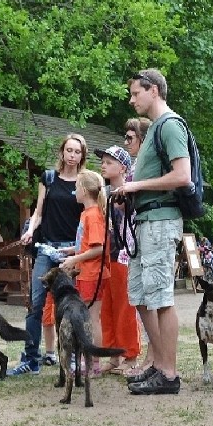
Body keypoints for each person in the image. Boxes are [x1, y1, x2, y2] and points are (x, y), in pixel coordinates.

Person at [114, 68, 189, 395]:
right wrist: (130, 195)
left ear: (154, 90)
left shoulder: (170, 125)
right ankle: (158, 365)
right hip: (144, 222)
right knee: (142, 296)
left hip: (161, 221)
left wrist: (136, 185)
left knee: (160, 297)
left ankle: (169, 374)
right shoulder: (156, 129)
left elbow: (182, 175)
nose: (132, 100)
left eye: (135, 93)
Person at [8, 133, 87, 375]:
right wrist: (30, 230)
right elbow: (38, 212)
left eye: (77, 152)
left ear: (82, 156)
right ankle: (31, 358)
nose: (72, 156)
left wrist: (79, 248)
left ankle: (73, 358)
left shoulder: (85, 181)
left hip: (71, 251)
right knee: (36, 303)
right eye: (69, 150)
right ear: (62, 152)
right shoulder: (49, 178)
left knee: (72, 305)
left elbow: (88, 217)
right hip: (46, 248)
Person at [95, 145, 141, 374]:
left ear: (123, 167)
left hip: (125, 255)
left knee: (125, 308)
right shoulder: (102, 193)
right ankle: (112, 354)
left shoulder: (129, 191)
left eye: (109, 162)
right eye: (102, 161)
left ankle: (130, 355)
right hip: (107, 255)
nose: (103, 165)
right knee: (108, 308)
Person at [59, 169, 110, 376]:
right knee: (86, 318)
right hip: (85, 273)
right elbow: (88, 244)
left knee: (91, 319)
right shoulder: (86, 214)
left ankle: (93, 364)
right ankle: (87, 361)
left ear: (84, 190)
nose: (74, 191)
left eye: (76, 187)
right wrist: (73, 250)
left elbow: (99, 248)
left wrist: (75, 259)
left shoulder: (94, 215)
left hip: (93, 274)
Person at [121, 116, 154, 375]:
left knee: (152, 298)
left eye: (130, 138)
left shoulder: (148, 166)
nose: (126, 142)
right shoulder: (134, 166)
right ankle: (151, 357)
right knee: (139, 298)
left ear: (143, 139)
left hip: (147, 234)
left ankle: (153, 358)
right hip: (133, 238)